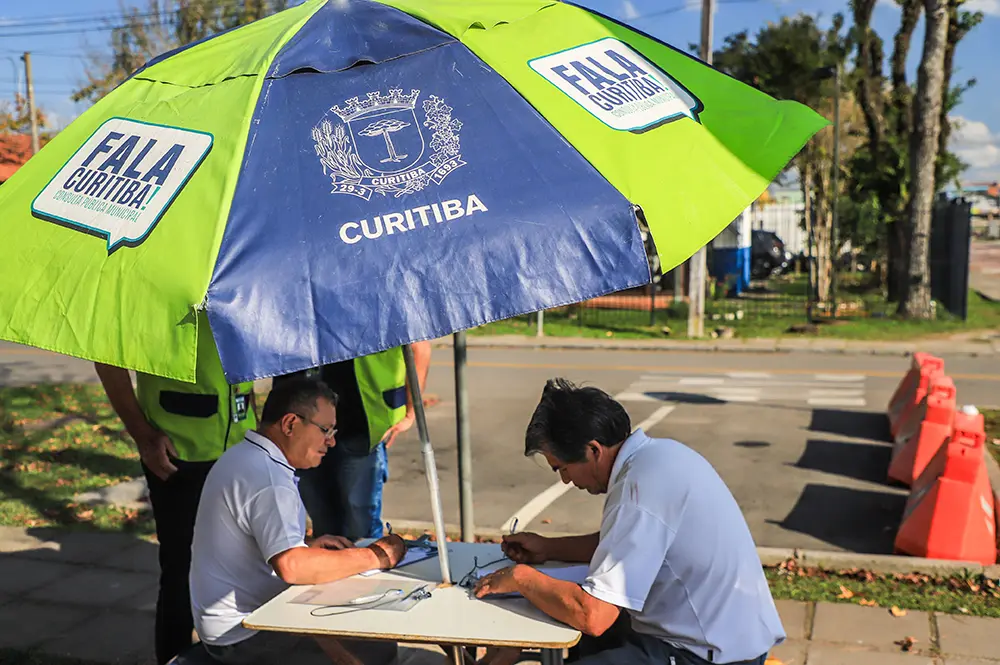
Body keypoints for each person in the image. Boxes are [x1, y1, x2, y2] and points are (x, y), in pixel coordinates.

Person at [473, 379, 785, 665]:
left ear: (593, 450)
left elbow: (593, 615)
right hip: (721, 635)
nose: (566, 480)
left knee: (587, 626)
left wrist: (522, 579)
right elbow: (621, 546)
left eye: (563, 468)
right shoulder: (656, 459)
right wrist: (547, 549)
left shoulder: (639, 488)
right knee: (585, 640)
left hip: (710, 654)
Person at [189, 377, 408, 665]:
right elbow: (292, 567)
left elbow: (257, 541)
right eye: (325, 430)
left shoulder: (245, 455)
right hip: (243, 633)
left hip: (226, 623)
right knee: (375, 649)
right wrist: (376, 556)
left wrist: (306, 545)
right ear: (291, 424)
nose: (331, 441)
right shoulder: (269, 479)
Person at [95, 311, 258, 665]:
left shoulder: (236, 267)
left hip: (241, 444)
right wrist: (142, 435)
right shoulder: (153, 275)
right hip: (180, 452)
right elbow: (107, 358)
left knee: (244, 567)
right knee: (181, 572)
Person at [272, 342, 431, 540]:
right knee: (323, 522)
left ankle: (365, 567)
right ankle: (337, 568)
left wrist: (411, 411)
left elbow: (420, 346)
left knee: (361, 526)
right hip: (302, 428)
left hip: (360, 425)